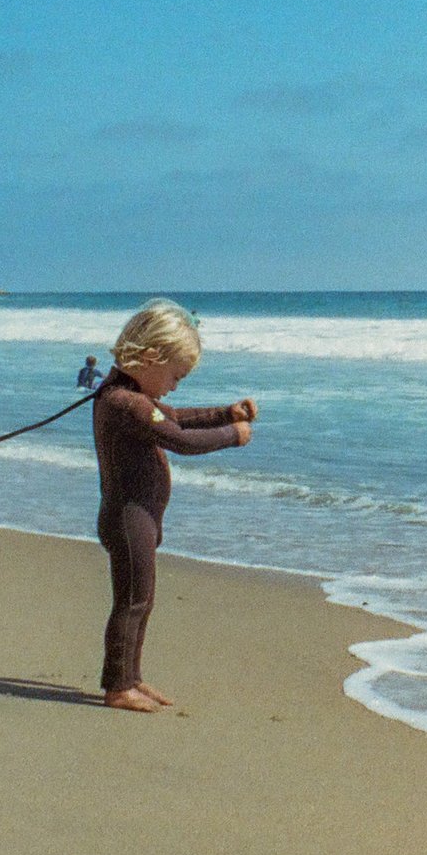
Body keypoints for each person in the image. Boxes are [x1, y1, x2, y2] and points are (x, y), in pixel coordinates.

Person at [91, 299, 255, 713]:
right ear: (150, 357)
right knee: (131, 601)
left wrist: (223, 412)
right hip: (129, 518)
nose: (175, 385)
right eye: (175, 375)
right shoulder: (125, 404)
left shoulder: (130, 395)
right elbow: (180, 439)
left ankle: (131, 676)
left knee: (142, 600)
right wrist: (231, 434)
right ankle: (116, 686)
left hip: (142, 516)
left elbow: (175, 417)